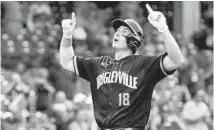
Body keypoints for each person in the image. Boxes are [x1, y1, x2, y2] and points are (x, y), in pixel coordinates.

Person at [59, 4, 184, 130]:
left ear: (134, 40)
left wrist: (163, 29)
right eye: (117, 31)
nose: (117, 33)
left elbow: (176, 60)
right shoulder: (98, 64)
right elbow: (67, 61)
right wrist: (67, 35)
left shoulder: (143, 64)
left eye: (124, 32)